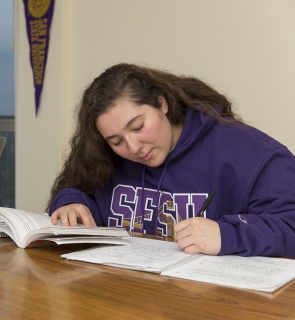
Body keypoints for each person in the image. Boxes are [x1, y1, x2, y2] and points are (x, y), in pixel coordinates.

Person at [48, 63, 295, 258]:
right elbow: (79, 189)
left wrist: (228, 234)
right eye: (116, 141)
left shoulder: (252, 153)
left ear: (162, 103)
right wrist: (70, 201)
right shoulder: (103, 156)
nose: (133, 147)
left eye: (138, 126)